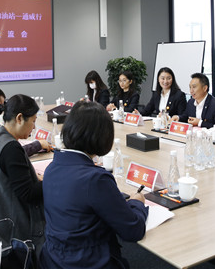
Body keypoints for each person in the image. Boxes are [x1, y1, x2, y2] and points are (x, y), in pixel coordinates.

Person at [40, 101, 148, 269]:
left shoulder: (52, 167)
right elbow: (133, 230)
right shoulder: (95, 179)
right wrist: (136, 202)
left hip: (53, 260)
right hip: (87, 263)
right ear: (102, 136)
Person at [0, 94, 46, 255]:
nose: (34, 127)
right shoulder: (11, 148)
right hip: (7, 228)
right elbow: (28, 194)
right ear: (19, 118)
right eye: (33, 121)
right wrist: (53, 180)